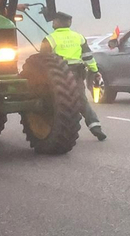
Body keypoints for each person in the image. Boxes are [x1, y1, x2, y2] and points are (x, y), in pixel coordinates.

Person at [45, 11, 107, 141]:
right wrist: (95, 71)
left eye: (54, 21)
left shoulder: (50, 39)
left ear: (58, 23)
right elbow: (88, 57)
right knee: (81, 100)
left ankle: (57, 130)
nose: (52, 23)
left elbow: (43, 61)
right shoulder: (79, 37)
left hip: (57, 76)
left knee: (55, 102)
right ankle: (96, 127)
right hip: (77, 74)